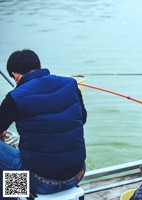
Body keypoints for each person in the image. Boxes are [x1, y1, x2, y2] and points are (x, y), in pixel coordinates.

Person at [0, 49, 87, 198]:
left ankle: (15, 196)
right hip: (77, 174)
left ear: (15, 75)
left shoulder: (14, 97)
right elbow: (82, 119)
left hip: (39, 182)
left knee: (10, 162)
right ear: (41, 66)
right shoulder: (71, 84)